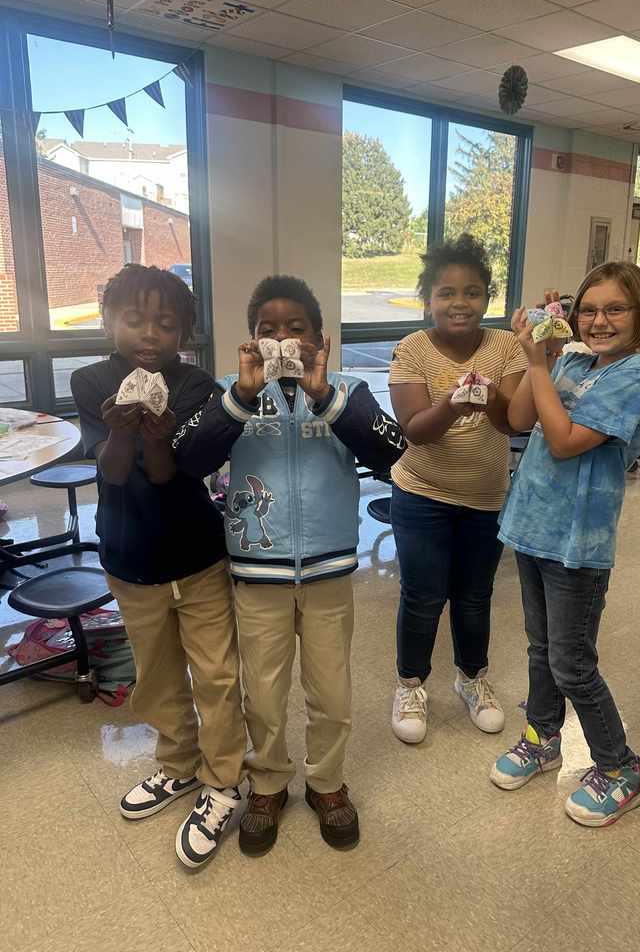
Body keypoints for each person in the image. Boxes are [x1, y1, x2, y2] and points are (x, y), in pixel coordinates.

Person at [173, 275, 405, 855]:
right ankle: (268, 783)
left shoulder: (346, 389)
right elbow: (189, 455)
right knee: (265, 693)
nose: (283, 338)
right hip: (258, 574)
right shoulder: (232, 393)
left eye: (296, 329)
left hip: (328, 574)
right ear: (251, 341)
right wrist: (242, 399)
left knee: (332, 692)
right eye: (267, 330)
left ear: (320, 339)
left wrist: (326, 395)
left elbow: (390, 451)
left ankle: (327, 783)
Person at [71, 263, 247, 869]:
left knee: (217, 675)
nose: (149, 334)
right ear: (109, 321)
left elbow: (173, 473)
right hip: (130, 557)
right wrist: (123, 430)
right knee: (157, 674)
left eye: (166, 324)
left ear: (185, 334)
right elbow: (113, 472)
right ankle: (177, 764)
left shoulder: (195, 384)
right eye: (134, 319)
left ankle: (223, 779)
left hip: (197, 557)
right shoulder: (90, 379)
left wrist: (158, 434)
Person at [490, 262, 640, 828]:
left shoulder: (636, 374)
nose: (599, 320)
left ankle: (618, 767)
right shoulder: (573, 361)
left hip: (577, 541)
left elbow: (563, 442)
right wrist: (529, 351)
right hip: (535, 527)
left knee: (572, 662)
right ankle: (543, 737)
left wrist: (541, 361)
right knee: (541, 648)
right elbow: (519, 417)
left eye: (615, 309)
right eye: (588, 309)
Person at [388, 234, 527, 744]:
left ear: (488, 297)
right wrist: (452, 402)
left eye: (471, 292)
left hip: (486, 499)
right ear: (428, 298)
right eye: (446, 292)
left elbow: (513, 422)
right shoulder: (412, 349)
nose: (459, 303)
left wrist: (488, 398)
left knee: (474, 596)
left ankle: (472, 679)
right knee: (423, 596)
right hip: (421, 494)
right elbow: (415, 429)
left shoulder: (506, 347)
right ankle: (409, 684)